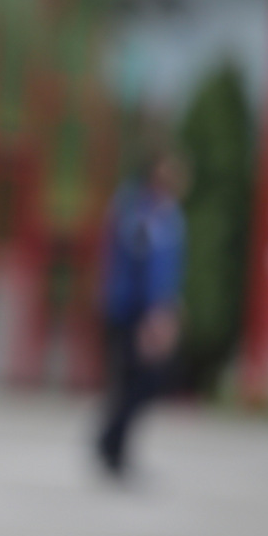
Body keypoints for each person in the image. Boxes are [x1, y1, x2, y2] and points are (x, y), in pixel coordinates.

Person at [95, 149, 186, 479]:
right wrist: (153, 314)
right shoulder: (137, 210)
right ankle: (111, 448)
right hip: (131, 311)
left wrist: (170, 307)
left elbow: (168, 269)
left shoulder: (170, 214)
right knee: (135, 381)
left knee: (144, 384)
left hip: (154, 312)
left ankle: (112, 446)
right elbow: (140, 267)